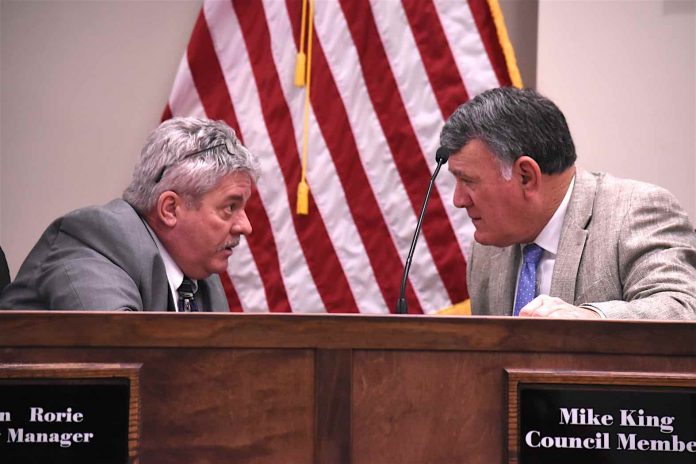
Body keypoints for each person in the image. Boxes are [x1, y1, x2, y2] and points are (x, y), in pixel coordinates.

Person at [440, 87, 696, 320]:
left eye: (469, 181)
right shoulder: (487, 249)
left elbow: (683, 307)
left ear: (526, 176)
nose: (458, 200)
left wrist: (591, 319)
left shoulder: (635, 211)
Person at [0, 117, 260, 311]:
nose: (245, 226)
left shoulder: (199, 276)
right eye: (230, 207)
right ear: (170, 209)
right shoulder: (96, 245)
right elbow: (125, 365)